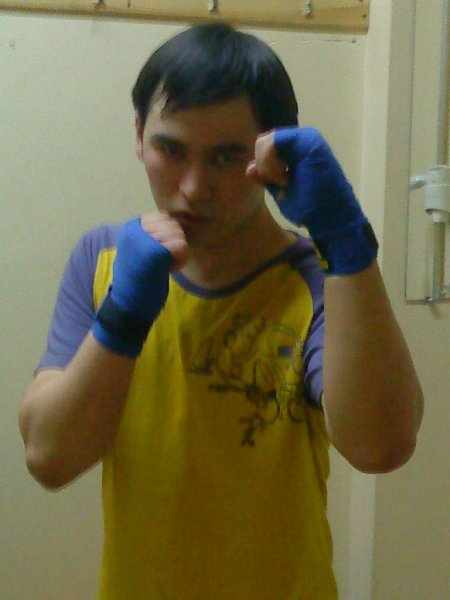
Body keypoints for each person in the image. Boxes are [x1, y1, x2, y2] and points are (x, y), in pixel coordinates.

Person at [19, 22, 424, 600]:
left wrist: (345, 241)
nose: (193, 187)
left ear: (272, 153)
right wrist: (122, 318)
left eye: (227, 157)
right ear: (138, 135)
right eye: (170, 149)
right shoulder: (102, 259)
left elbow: (381, 447)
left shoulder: (318, 279)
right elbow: (49, 458)